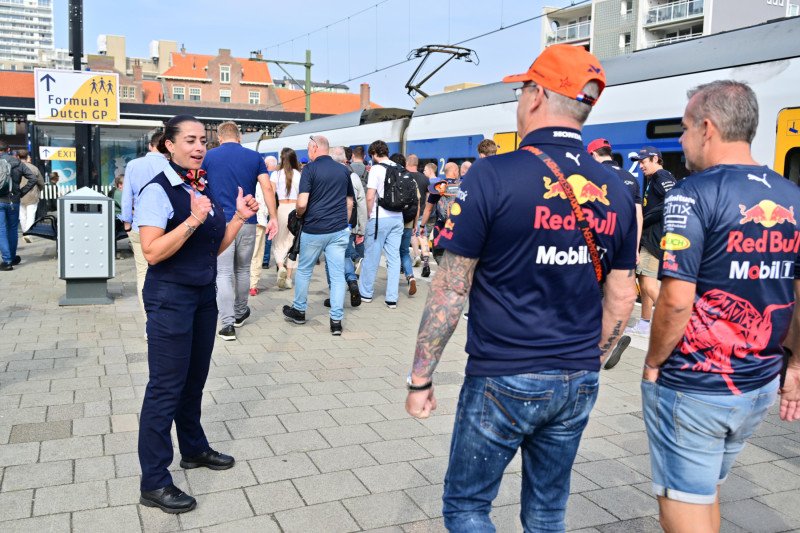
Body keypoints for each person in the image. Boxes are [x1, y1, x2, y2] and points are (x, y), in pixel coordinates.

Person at [405, 45, 637, 532]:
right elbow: (622, 295)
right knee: (548, 511)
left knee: (468, 508)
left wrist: (421, 379)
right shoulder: (617, 188)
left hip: (503, 373)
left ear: (535, 95)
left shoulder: (491, 175)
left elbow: (449, 290)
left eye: (521, 90)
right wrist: (589, 359)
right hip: (577, 376)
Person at [642, 80, 800, 533]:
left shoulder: (692, 194)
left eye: (685, 128)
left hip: (695, 383)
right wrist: (797, 364)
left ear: (707, 128)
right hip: (757, 384)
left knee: (683, 506)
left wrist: (653, 363)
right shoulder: (793, 196)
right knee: (705, 489)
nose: (680, 140)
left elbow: (675, 299)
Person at [136, 114, 260, 514]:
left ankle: (193, 448)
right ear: (168, 145)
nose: (198, 147)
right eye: (189, 140)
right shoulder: (159, 191)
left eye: (202, 140)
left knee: (194, 380)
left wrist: (238, 217)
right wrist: (192, 219)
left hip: (203, 297)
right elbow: (152, 252)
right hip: (170, 298)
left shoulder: (199, 184)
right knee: (165, 389)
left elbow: (214, 248)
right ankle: (154, 481)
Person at [202, 121, 278, 342]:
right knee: (243, 270)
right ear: (240, 137)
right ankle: (239, 312)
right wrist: (273, 217)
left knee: (223, 273)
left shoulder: (209, 157)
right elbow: (266, 187)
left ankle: (226, 325)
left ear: (219, 137)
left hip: (219, 221)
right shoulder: (255, 158)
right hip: (247, 220)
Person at [282, 135, 354, 335]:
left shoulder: (310, 170)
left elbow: (303, 202)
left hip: (314, 229)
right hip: (338, 230)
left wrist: (298, 214)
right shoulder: (343, 170)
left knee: (304, 270)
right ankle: (336, 322)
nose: (307, 152)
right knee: (337, 276)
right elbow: (349, 202)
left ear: (315, 148)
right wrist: (345, 224)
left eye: (308, 148)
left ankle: (299, 311)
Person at [587, 137, 644, 369]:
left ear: (593, 155)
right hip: (624, 244)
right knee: (614, 294)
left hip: (598, 244)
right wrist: (635, 248)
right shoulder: (631, 179)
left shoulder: (592, 174)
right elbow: (638, 216)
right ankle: (611, 339)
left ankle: (597, 342)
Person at [626, 145, 676, 336]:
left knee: (648, 285)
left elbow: (671, 200)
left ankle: (678, 323)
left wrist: (645, 218)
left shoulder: (662, 177)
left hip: (655, 238)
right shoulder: (653, 179)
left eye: (643, 162)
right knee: (645, 281)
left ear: (655, 159)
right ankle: (645, 324)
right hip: (651, 237)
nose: (640, 166)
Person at [121, 132, 170, 316]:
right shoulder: (172, 166)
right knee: (166, 274)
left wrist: (127, 223)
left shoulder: (134, 165)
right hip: (168, 228)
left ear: (151, 146)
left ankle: (149, 322)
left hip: (140, 226)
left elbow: (127, 198)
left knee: (143, 273)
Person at [358, 140, 405, 309]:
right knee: (394, 258)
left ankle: (366, 293)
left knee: (372, 256)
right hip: (398, 218)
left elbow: (370, 196)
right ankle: (391, 298)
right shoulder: (399, 167)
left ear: (373, 154)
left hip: (379, 218)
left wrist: (369, 215)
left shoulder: (376, 169)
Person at [323, 146, 366, 308]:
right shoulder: (353, 176)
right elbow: (361, 203)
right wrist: (361, 228)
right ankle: (352, 281)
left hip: (330, 223)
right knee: (346, 254)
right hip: (348, 223)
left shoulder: (327, 174)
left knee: (330, 259)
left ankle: (334, 293)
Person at [0, 140, 37, 270]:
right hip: (14, 201)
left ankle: (7, 261)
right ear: (8, 150)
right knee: (12, 229)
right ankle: (12, 257)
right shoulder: (17, 163)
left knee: (2, 230)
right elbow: (33, 179)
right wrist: (21, 192)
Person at [270, 147, 302, 289]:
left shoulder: (275, 175)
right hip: (295, 210)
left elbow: (270, 195)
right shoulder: (298, 175)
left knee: (278, 242)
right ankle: (288, 278)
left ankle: (280, 266)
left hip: (281, 209)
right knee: (293, 244)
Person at [390, 152, 420, 296]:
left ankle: (393, 283)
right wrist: (415, 222)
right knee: (404, 252)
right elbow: (417, 203)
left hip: (393, 221)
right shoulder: (411, 179)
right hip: (408, 221)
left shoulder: (391, 177)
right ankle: (411, 276)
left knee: (393, 253)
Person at [249, 155, 278, 296]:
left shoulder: (245, 179)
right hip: (259, 220)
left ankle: (241, 283)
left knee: (243, 255)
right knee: (257, 253)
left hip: (244, 220)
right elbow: (269, 198)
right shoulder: (267, 183)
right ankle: (253, 285)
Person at [406, 154, 429, 270]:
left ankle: (416, 255)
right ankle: (426, 260)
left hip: (410, 212)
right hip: (423, 212)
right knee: (423, 236)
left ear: (407, 163)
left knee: (412, 235)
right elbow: (429, 197)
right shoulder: (425, 178)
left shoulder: (405, 176)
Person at [16, 149, 44, 243]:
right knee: (31, 215)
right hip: (32, 194)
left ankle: (25, 233)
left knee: (22, 216)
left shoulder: (15, 167)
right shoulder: (34, 168)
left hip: (19, 195)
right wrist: (39, 190)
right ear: (27, 156)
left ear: (18, 157)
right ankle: (28, 234)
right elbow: (41, 182)